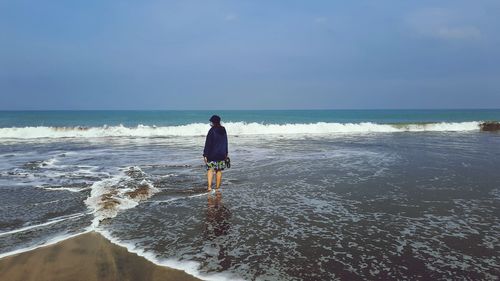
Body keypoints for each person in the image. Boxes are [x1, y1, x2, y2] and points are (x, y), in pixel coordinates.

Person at [203, 115, 228, 191]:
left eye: (211, 122)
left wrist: (205, 154)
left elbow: (208, 143)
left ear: (213, 122)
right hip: (222, 154)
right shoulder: (223, 129)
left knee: (210, 169)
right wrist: (226, 152)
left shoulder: (212, 130)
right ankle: (217, 188)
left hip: (212, 154)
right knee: (219, 170)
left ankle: (209, 187)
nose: (210, 123)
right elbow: (225, 142)